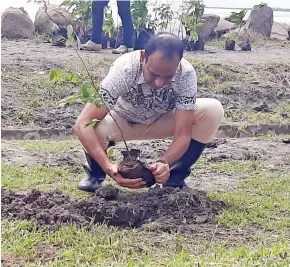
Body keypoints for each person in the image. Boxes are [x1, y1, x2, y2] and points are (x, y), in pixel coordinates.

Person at [75, 32, 224, 192]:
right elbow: (82, 123)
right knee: (93, 125)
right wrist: (108, 166)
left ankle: (175, 177)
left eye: (168, 76)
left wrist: (164, 162)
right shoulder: (124, 69)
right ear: (143, 57)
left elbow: (183, 135)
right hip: (121, 121)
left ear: (178, 64)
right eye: (153, 74)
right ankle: (95, 175)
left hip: (163, 119)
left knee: (212, 110)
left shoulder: (186, 74)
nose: (159, 83)